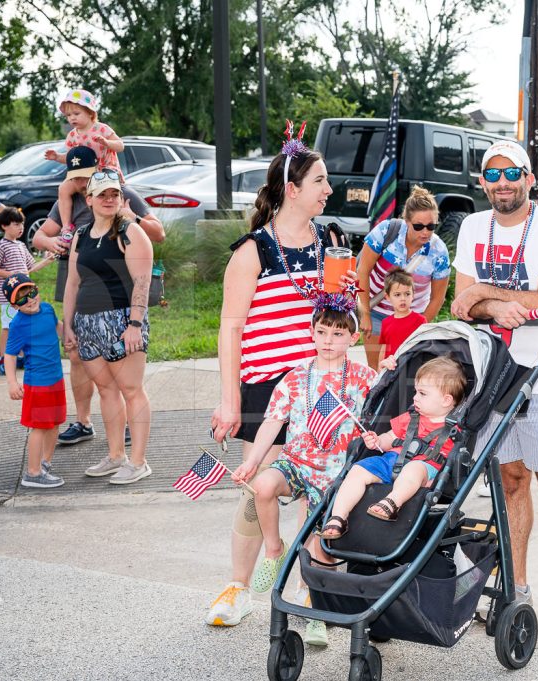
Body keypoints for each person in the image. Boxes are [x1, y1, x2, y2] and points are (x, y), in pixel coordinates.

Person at [206, 128, 356, 629]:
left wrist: (351, 298)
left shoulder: (332, 242)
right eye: (320, 180)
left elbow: (346, 316)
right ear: (292, 188)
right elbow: (230, 329)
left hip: (323, 383)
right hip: (267, 384)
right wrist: (230, 402)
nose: (328, 189)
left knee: (317, 490)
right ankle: (239, 587)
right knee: (258, 489)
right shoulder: (253, 251)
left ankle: (305, 591)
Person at [451, 140, 538, 628]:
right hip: (495, 374)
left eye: (513, 174)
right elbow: (458, 304)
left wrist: (484, 292)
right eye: (493, 175)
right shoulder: (471, 227)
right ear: (482, 182)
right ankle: (516, 587)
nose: (502, 183)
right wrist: (492, 303)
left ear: (531, 179)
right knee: (509, 482)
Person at [230, 294, 376, 645]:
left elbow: (379, 420)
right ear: (311, 333)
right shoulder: (294, 378)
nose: (329, 341)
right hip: (295, 463)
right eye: (322, 332)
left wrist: (375, 436)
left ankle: (314, 606)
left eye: (338, 334)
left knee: (321, 548)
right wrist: (251, 461)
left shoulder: (363, 378)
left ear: (352, 338)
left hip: (336, 473)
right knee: (262, 487)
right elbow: (272, 421)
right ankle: (274, 549)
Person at [33, 145, 164, 447]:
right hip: (83, 294)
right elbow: (44, 236)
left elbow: (156, 238)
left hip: (118, 298)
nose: (80, 184)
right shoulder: (71, 205)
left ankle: (133, 441)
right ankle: (88, 425)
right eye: (75, 178)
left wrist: (134, 218)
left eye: (85, 177)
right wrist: (50, 243)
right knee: (90, 370)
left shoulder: (124, 203)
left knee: (127, 384)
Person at [62, 171, 154, 485]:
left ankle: (139, 461)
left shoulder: (130, 232)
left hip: (121, 321)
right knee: (106, 390)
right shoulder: (82, 234)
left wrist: (134, 325)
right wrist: (69, 323)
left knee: (131, 390)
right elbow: (73, 283)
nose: (109, 199)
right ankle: (116, 455)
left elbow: (142, 282)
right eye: (102, 195)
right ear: (88, 199)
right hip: (87, 324)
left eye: (114, 194)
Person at [319, 356, 465, 539]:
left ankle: (392, 503)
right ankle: (338, 516)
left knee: (413, 469)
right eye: (415, 392)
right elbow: (391, 437)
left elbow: (451, 460)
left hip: (423, 467)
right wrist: (378, 441)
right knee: (357, 470)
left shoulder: (454, 430)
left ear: (446, 400)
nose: (415, 397)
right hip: (391, 460)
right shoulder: (410, 417)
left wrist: (434, 480)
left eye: (422, 393)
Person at [357, 185, 450, 367]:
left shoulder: (438, 251)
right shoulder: (386, 232)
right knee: (377, 371)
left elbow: (438, 298)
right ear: (406, 221)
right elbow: (363, 271)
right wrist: (365, 313)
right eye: (418, 226)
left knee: (404, 373)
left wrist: (419, 327)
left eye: (431, 226)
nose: (425, 232)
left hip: (411, 317)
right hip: (377, 313)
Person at [1, 274, 66, 489]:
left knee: (55, 422)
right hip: (37, 383)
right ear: (14, 305)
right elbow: (10, 355)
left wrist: (69, 336)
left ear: (37, 290)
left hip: (56, 378)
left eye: (30, 293)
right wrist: (12, 382)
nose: (29, 300)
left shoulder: (47, 309)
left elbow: (57, 325)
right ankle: (32, 473)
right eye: (21, 300)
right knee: (38, 427)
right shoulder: (19, 324)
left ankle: (44, 463)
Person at [44, 89, 125, 242]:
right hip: (83, 175)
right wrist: (57, 157)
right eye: (68, 115)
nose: (72, 118)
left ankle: (115, 222)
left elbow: (120, 145)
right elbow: (72, 159)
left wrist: (107, 143)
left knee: (103, 194)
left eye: (76, 113)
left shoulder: (102, 129)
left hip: (104, 170)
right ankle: (67, 226)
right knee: (64, 188)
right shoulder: (72, 135)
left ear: (90, 112)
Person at [0, 208, 53, 375]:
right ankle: (4, 358)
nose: (21, 227)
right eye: (16, 224)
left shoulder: (21, 245)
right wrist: (10, 274)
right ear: (4, 226)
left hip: (25, 297)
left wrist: (48, 260)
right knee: (8, 326)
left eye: (22, 224)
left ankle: (20, 356)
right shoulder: (1, 246)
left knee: (25, 325)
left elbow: (31, 267)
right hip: (10, 298)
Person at [376, 268, 426, 368]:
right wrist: (379, 371)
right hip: (391, 370)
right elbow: (383, 349)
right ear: (388, 297)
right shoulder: (386, 322)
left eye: (407, 294)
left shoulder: (420, 320)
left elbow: (425, 348)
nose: (403, 298)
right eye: (397, 295)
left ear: (413, 295)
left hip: (412, 369)